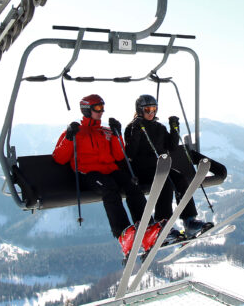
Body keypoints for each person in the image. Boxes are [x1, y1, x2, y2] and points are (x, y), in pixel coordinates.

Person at [52, 94, 161, 258]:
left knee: (132, 185)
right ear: (87, 109)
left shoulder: (106, 131)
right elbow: (59, 158)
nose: (101, 111)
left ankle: (146, 226)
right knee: (109, 188)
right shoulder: (76, 132)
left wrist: (117, 135)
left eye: (102, 107)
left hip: (110, 170)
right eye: (97, 108)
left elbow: (119, 156)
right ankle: (123, 233)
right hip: (88, 173)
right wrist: (68, 138)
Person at [124, 94, 213, 243]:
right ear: (139, 110)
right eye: (147, 110)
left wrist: (174, 129)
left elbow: (171, 147)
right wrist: (137, 131)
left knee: (180, 179)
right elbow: (130, 153)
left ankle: (189, 220)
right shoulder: (132, 127)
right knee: (165, 183)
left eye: (154, 109)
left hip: (160, 167)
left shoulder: (159, 127)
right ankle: (162, 224)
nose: (151, 113)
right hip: (142, 169)